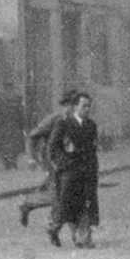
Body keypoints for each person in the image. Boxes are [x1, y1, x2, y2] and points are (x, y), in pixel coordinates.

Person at [46, 91, 100, 248]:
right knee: (66, 207)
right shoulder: (64, 124)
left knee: (86, 204)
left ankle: (83, 238)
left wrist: (93, 169)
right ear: (75, 107)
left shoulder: (91, 125)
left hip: (86, 172)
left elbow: (93, 149)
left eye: (89, 106)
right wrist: (63, 164)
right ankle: (53, 229)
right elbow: (53, 147)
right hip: (69, 173)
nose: (87, 109)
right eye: (84, 106)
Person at [17, 90, 78, 228]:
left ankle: (29, 205)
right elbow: (33, 136)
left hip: (69, 161)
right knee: (62, 192)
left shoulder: (79, 120)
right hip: (52, 160)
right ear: (66, 105)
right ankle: (56, 224)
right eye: (72, 105)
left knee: (61, 191)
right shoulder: (54, 119)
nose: (74, 109)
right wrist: (31, 158)